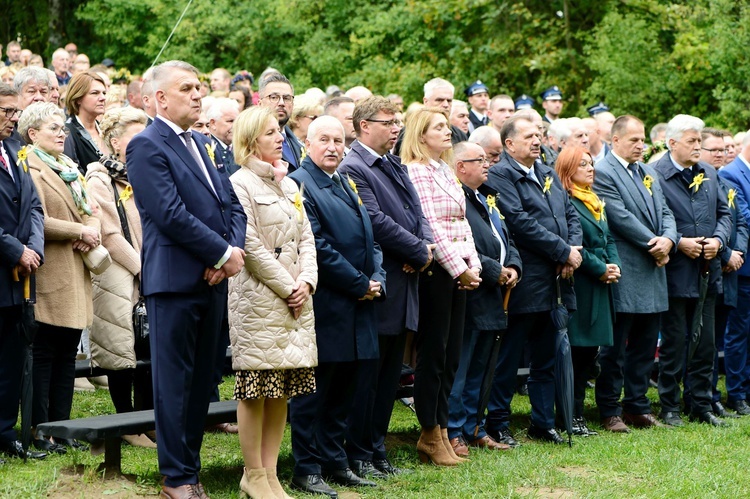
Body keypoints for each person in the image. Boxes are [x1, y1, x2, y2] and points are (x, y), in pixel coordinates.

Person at [126, 60, 247, 498]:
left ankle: (190, 472)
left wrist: (232, 252)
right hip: (175, 282)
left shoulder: (201, 142)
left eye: (199, 87)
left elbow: (230, 203)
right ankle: (175, 478)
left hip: (213, 281)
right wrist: (220, 251)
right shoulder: (145, 145)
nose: (198, 95)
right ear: (159, 98)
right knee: (174, 384)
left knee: (202, 385)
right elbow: (169, 214)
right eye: (187, 88)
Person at [288, 115, 385, 498]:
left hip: (360, 303)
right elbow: (316, 245)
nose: (333, 147)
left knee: (345, 389)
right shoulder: (300, 183)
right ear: (307, 143)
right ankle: (306, 468)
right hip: (328, 303)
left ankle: (336, 461)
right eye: (324, 139)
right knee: (316, 393)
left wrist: (377, 277)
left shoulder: (344, 179)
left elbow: (370, 237)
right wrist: (359, 283)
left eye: (338, 140)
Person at [338, 96, 434, 478]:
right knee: (368, 379)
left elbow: (417, 212)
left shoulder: (392, 162)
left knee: (389, 376)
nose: (397, 129)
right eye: (388, 122)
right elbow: (374, 220)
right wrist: (417, 249)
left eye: (398, 122)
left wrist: (424, 247)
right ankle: (359, 451)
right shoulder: (354, 166)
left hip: (406, 277)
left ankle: (376, 448)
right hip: (381, 281)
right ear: (364, 126)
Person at [228, 106, 318, 499]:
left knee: (280, 387)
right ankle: (253, 473)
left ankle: (271, 472)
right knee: (255, 388)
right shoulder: (239, 183)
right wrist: (288, 286)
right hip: (260, 298)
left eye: (280, 130)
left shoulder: (290, 185)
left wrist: (308, 281)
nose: (280, 136)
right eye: (270, 132)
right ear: (250, 141)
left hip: (297, 300)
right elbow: (248, 244)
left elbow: (308, 239)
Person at [484, 114, 582, 444]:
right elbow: (519, 222)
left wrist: (573, 249)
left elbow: (569, 213)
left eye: (539, 134)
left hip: (557, 279)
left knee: (547, 354)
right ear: (509, 144)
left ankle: (543, 422)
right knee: (510, 356)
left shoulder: (546, 171)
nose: (537, 140)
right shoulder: (500, 175)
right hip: (528, 279)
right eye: (529, 136)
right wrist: (561, 252)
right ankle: (497, 421)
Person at [18, 102, 102, 454]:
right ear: (33, 133)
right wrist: (79, 230)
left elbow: (90, 210)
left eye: (62, 127)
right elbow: (36, 221)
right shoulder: (29, 168)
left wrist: (92, 229)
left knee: (68, 354)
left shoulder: (69, 167)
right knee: (45, 353)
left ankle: (63, 429)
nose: (62, 132)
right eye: (54, 128)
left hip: (76, 270)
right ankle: (40, 430)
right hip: (50, 271)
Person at [403, 107, 481, 465]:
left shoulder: (445, 170)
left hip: (460, 271)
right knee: (433, 354)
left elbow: (462, 225)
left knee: (451, 355)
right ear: (421, 136)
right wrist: (456, 269)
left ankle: (445, 431)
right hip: (437, 272)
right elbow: (430, 226)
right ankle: (429, 432)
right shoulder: (416, 172)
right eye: (438, 127)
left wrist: (473, 265)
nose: (447, 131)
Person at [593, 115, 676, 432]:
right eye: (633, 140)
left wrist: (669, 239)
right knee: (615, 349)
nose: (641, 145)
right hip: (628, 267)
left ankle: (637, 406)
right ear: (614, 140)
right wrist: (654, 243)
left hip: (654, 266)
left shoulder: (649, 171)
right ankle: (610, 409)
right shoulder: (603, 172)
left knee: (644, 345)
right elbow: (618, 216)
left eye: (643, 140)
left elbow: (666, 211)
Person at [653, 114, 732, 427]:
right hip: (675, 269)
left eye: (700, 141)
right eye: (692, 141)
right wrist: (679, 242)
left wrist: (719, 240)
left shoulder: (710, 172)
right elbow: (655, 218)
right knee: (674, 341)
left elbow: (724, 213)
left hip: (707, 269)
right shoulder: (655, 174)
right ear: (672, 143)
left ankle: (700, 403)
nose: (698, 146)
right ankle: (669, 406)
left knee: (705, 342)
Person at [84, 106, 155, 449]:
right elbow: (110, 233)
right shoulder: (99, 178)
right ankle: (126, 422)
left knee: (146, 347)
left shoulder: (145, 173)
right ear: (114, 141)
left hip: (148, 270)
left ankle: (146, 419)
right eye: (134, 136)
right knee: (119, 347)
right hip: (117, 274)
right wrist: (143, 267)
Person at [448, 141, 521, 452]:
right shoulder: (455, 200)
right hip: (471, 291)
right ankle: (453, 431)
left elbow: (506, 236)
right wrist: (494, 270)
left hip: (495, 295)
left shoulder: (486, 198)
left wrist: (514, 265)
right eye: (479, 160)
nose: (487, 164)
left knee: (483, 367)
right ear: (460, 166)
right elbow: (461, 244)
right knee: (462, 367)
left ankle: (474, 427)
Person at [555, 146, 621, 436]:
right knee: (576, 351)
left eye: (591, 163)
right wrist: (599, 268)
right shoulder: (566, 200)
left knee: (590, 352)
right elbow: (576, 244)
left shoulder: (595, 201)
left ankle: (578, 414)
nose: (590, 168)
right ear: (568, 170)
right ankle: (569, 414)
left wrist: (614, 265)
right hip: (580, 283)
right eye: (582, 164)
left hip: (600, 286)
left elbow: (608, 239)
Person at [0, 83, 47, 461]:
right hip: (4, 263)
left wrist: (33, 249)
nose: (13, 118)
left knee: (12, 357)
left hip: (18, 279)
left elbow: (32, 204)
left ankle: (4, 430)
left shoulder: (15, 149)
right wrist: (14, 249)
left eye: (16, 111)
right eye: (6, 111)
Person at [717, 132, 750, 415]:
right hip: (742, 266)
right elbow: (743, 216)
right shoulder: (732, 173)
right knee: (738, 330)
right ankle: (737, 392)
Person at [64, 71, 107, 174]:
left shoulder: (106, 129)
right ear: (78, 98)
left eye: (104, 93)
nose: (102, 98)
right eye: (95, 93)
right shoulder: (68, 132)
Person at [258, 73, 302, 172]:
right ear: (260, 104)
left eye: (287, 98)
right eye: (274, 97)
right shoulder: (251, 143)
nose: (281, 103)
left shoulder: (299, 145)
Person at [207, 97, 240, 175]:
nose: (236, 126)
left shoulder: (241, 148)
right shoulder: (206, 149)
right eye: (230, 121)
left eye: (238, 121)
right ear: (213, 123)